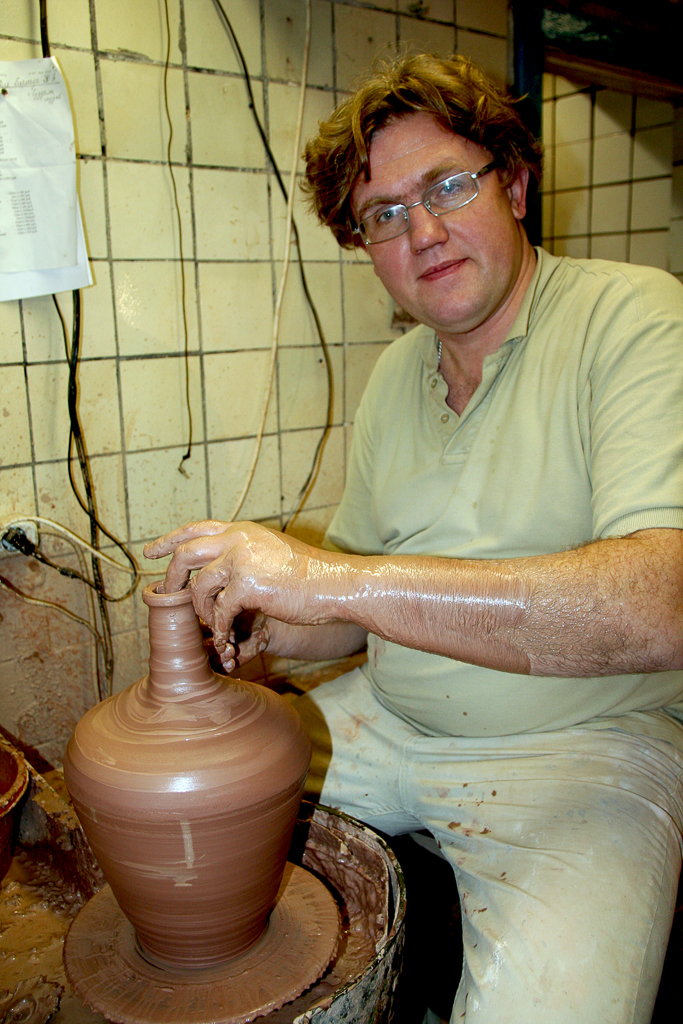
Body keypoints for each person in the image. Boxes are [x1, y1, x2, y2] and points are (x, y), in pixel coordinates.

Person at [144, 53, 683, 1024]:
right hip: (385, 716)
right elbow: (346, 616)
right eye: (384, 213)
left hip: (581, 744)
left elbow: (660, 604)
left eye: (446, 186)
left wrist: (329, 580)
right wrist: (253, 620)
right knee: (186, 827)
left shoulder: (634, 318)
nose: (421, 230)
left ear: (513, 186)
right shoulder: (397, 373)